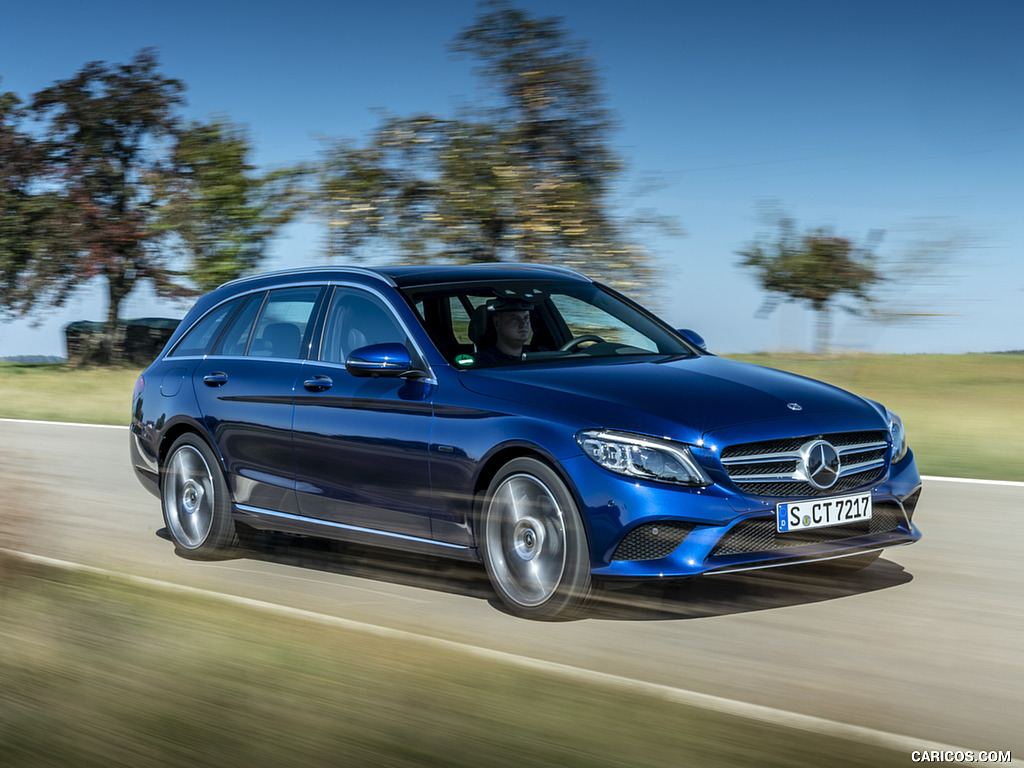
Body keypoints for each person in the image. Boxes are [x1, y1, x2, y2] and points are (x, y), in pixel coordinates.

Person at [473, 298, 539, 365]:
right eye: (515, 319)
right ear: (497, 323)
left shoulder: (539, 356)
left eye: (526, 318)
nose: (523, 324)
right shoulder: (482, 364)